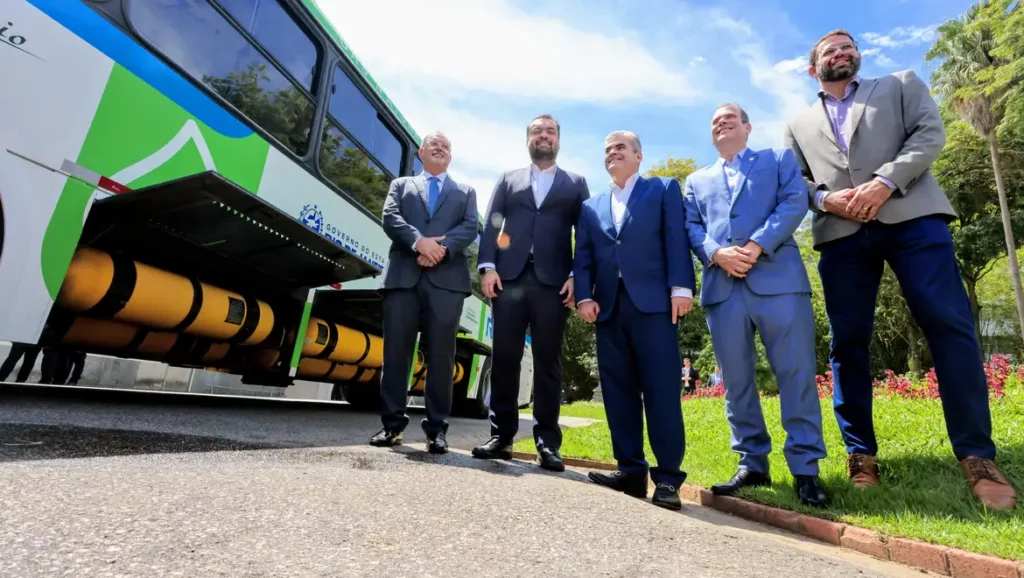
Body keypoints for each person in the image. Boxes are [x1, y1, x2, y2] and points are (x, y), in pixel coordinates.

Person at [783, 29, 1016, 510]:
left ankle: (977, 455)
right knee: (847, 343)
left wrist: (884, 182)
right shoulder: (796, 123)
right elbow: (796, 183)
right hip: (842, 234)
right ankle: (860, 454)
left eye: (848, 46)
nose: (842, 52)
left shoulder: (900, 84)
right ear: (814, 68)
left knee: (949, 326)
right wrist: (827, 199)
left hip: (912, 219)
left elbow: (930, 134)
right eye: (830, 49)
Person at [683, 103, 829, 508]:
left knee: (796, 374)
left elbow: (793, 202)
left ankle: (805, 469)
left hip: (778, 281)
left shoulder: (779, 159)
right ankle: (752, 463)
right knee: (737, 381)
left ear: (747, 127)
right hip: (723, 287)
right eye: (715, 120)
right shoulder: (696, 180)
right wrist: (716, 253)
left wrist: (754, 246)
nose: (722, 122)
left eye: (730, 117)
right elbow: (692, 227)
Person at [573, 130, 695, 510]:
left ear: (639, 156)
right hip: (608, 308)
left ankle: (668, 479)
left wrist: (682, 287)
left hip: (655, 305)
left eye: (620, 148)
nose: (612, 153)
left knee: (661, 392)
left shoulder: (662, 189)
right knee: (617, 392)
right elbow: (585, 256)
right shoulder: (591, 205)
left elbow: (676, 238)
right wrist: (584, 295)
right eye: (607, 150)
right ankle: (630, 471)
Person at [471, 114, 590, 471]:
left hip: (553, 284)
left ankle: (547, 443)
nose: (544, 136)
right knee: (505, 358)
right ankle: (502, 437)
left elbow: (585, 235)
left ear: (558, 140)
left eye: (550, 131)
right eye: (537, 131)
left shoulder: (576, 183)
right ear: (528, 139)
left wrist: (576, 276)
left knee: (548, 363)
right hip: (509, 279)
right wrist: (487, 266)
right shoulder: (509, 179)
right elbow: (492, 223)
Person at [370, 131, 479, 454]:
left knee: (442, 358)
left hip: (446, 283)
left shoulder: (466, 191)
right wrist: (420, 242)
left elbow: (469, 227)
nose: (440, 148)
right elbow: (390, 217)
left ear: (451, 155)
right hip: (403, 279)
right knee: (396, 354)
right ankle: (392, 426)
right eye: (434, 144)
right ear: (421, 152)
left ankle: (436, 430)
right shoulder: (400, 185)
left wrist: (440, 249)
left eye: (446, 146)